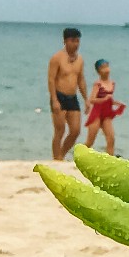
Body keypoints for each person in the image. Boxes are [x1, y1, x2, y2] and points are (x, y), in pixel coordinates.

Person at [47, 27, 87, 159]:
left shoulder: (80, 59)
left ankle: (61, 156)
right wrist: (54, 100)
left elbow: (80, 79)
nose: (76, 44)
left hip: (72, 97)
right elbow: (51, 80)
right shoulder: (57, 58)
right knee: (60, 130)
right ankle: (56, 158)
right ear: (65, 41)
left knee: (75, 131)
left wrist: (86, 99)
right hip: (59, 96)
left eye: (77, 41)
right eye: (73, 41)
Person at [83, 59, 126, 155]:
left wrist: (116, 103)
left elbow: (109, 99)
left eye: (107, 66)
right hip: (97, 113)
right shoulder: (97, 84)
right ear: (98, 71)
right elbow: (92, 99)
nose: (106, 69)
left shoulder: (112, 83)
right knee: (90, 140)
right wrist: (104, 99)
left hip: (107, 113)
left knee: (111, 138)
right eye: (103, 68)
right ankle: (79, 155)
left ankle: (110, 160)